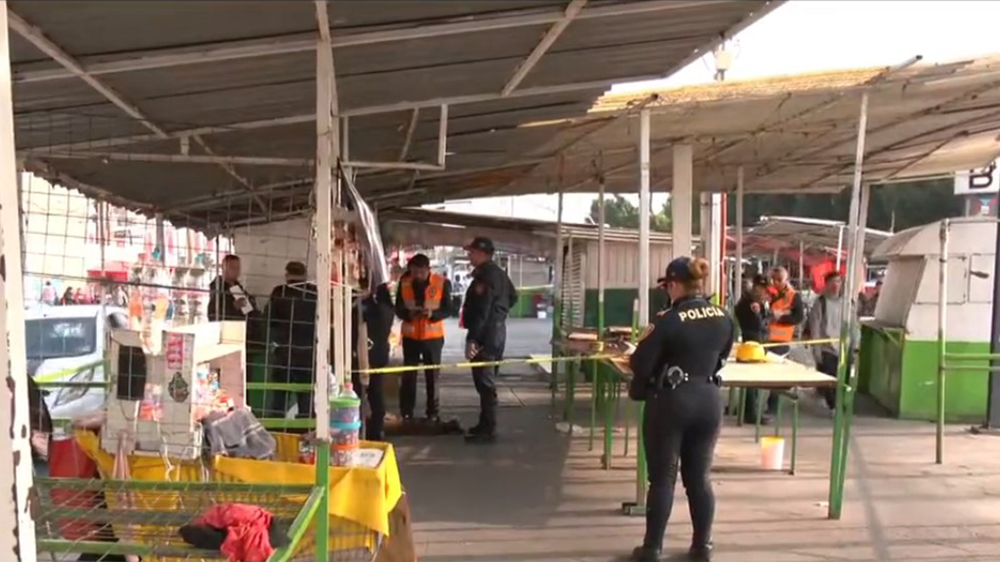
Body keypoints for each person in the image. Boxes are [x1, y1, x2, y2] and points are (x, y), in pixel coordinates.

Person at [628, 257, 734, 562]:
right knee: (699, 478)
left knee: (663, 478)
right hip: (709, 399)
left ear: (673, 284)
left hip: (672, 401)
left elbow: (640, 364)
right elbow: (722, 356)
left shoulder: (667, 319)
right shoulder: (724, 316)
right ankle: (702, 546)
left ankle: (652, 548)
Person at [461, 237, 517, 444]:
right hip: (497, 332)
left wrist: (472, 339)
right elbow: (513, 296)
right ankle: (484, 424)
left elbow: (482, 311)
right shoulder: (499, 274)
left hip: (486, 334)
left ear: (482, 253)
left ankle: (488, 430)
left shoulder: (485, 276)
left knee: (485, 383)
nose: (469, 256)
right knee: (486, 380)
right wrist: (500, 313)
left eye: (472, 252)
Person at [394, 254, 453, 421]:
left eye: (421, 272)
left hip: (433, 337)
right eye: (414, 272)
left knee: (432, 377)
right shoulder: (404, 282)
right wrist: (408, 315)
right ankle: (406, 412)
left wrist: (432, 314)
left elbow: (448, 309)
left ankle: (433, 413)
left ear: (428, 269)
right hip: (411, 337)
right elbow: (398, 307)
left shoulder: (441, 283)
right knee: (408, 377)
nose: (417, 275)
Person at [263, 261, 316, 420]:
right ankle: (305, 429)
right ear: (305, 275)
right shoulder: (313, 292)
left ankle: (277, 429)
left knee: (279, 396)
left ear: (287, 275)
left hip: (284, 351)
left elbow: (268, 319)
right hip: (307, 351)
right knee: (306, 398)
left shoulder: (279, 292)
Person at [352, 281, 395, 441]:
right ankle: (374, 430)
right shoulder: (383, 309)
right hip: (375, 356)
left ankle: (365, 429)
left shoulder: (364, 309)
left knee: (362, 395)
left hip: (362, 356)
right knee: (374, 394)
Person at [807, 271, 846, 411]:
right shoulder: (821, 303)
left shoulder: (846, 303)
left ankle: (837, 403)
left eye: (838, 281)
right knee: (829, 378)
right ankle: (833, 406)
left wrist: (855, 345)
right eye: (833, 282)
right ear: (827, 284)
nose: (836, 285)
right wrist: (816, 350)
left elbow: (853, 325)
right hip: (826, 348)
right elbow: (815, 327)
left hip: (842, 348)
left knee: (841, 379)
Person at [735, 275, 770, 423]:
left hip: (757, 341)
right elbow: (758, 324)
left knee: (753, 380)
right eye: (761, 288)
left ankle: (746, 409)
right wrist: (768, 317)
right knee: (753, 380)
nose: (763, 292)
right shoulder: (750, 303)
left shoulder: (754, 301)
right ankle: (750, 412)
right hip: (753, 342)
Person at [208, 254, 258, 322]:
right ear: (223, 268)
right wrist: (233, 307)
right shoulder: (218, 288)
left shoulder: (238, 287)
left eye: (238, 268)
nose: (236, 271)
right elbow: (213, 314)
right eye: (232, 268)